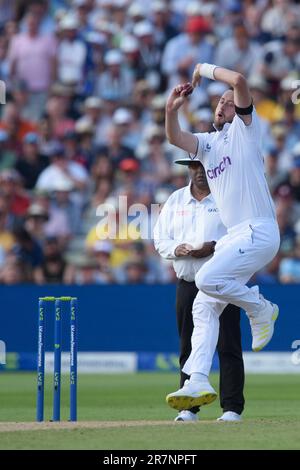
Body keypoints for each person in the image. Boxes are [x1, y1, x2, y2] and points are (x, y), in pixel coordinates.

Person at [164, 63, 280, 411]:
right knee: (203, 303)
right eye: (219, 102)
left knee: (208, 277)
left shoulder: (246, 131)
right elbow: (175, 138)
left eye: (229, 102)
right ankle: (196, 379)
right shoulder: (208, 145)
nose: (222, 105)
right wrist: (170, 111)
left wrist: (202, 69)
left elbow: (240, 80)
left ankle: (261, 308)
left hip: (259, 229)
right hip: (236, 237)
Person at [154, 158, 244, 422]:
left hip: (222, 281)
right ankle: (187, 407)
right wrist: (177, 248)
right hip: (188, 281)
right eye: (194, 167)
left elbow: (241, 237)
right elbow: (161, 238)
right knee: (187, 345)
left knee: (228, 344)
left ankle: (231, 409)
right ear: (189, 169)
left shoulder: (227, 197)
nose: (200, 172)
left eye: (204, 167)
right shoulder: (176, 199)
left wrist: (213, 246)